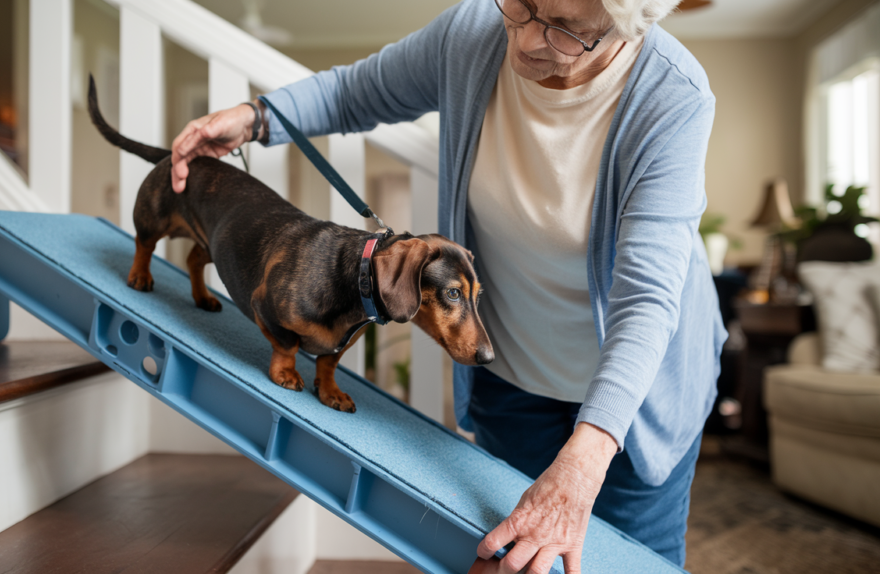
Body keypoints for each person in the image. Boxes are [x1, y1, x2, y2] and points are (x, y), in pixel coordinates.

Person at [170, 0, 727, 572]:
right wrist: (255, 118)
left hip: (635, 401)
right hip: (514, 375)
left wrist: (584, 461)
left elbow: (646, 301)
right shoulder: (475, 32)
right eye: (523, 3)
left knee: (634, 564)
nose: (529, 37)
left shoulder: (672, 97)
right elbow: (354, 93)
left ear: (627, 25)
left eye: (564, 29)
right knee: (509, 561)